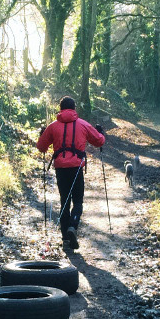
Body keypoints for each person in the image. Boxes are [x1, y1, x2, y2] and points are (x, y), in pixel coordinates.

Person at [36, 96, 105, 249]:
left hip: (61, 168)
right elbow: (99, 141)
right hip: (76, 167)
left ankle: (65, 239)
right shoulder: (83, 125)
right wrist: (101, 132)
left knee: (64, 201)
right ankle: (73, 226)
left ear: (60, 109)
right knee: (78, 201)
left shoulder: (53, 126)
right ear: (74, 109)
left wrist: (42, 135)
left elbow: (41, 147)